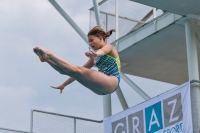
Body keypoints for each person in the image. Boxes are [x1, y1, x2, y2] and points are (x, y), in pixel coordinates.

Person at [33, 26, 121, 95]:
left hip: (112, 81)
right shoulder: (94, 56)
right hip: (100, 90)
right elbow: (80, 69)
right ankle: (47, 59)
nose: (90, 44)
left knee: (76, 69)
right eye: (89, 42)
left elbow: (102, 51)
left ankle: (50, 54)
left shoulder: (109, 47)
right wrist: (64, 84)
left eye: (91, 40)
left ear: (100, 38)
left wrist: (96, 54)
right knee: (71, 72)